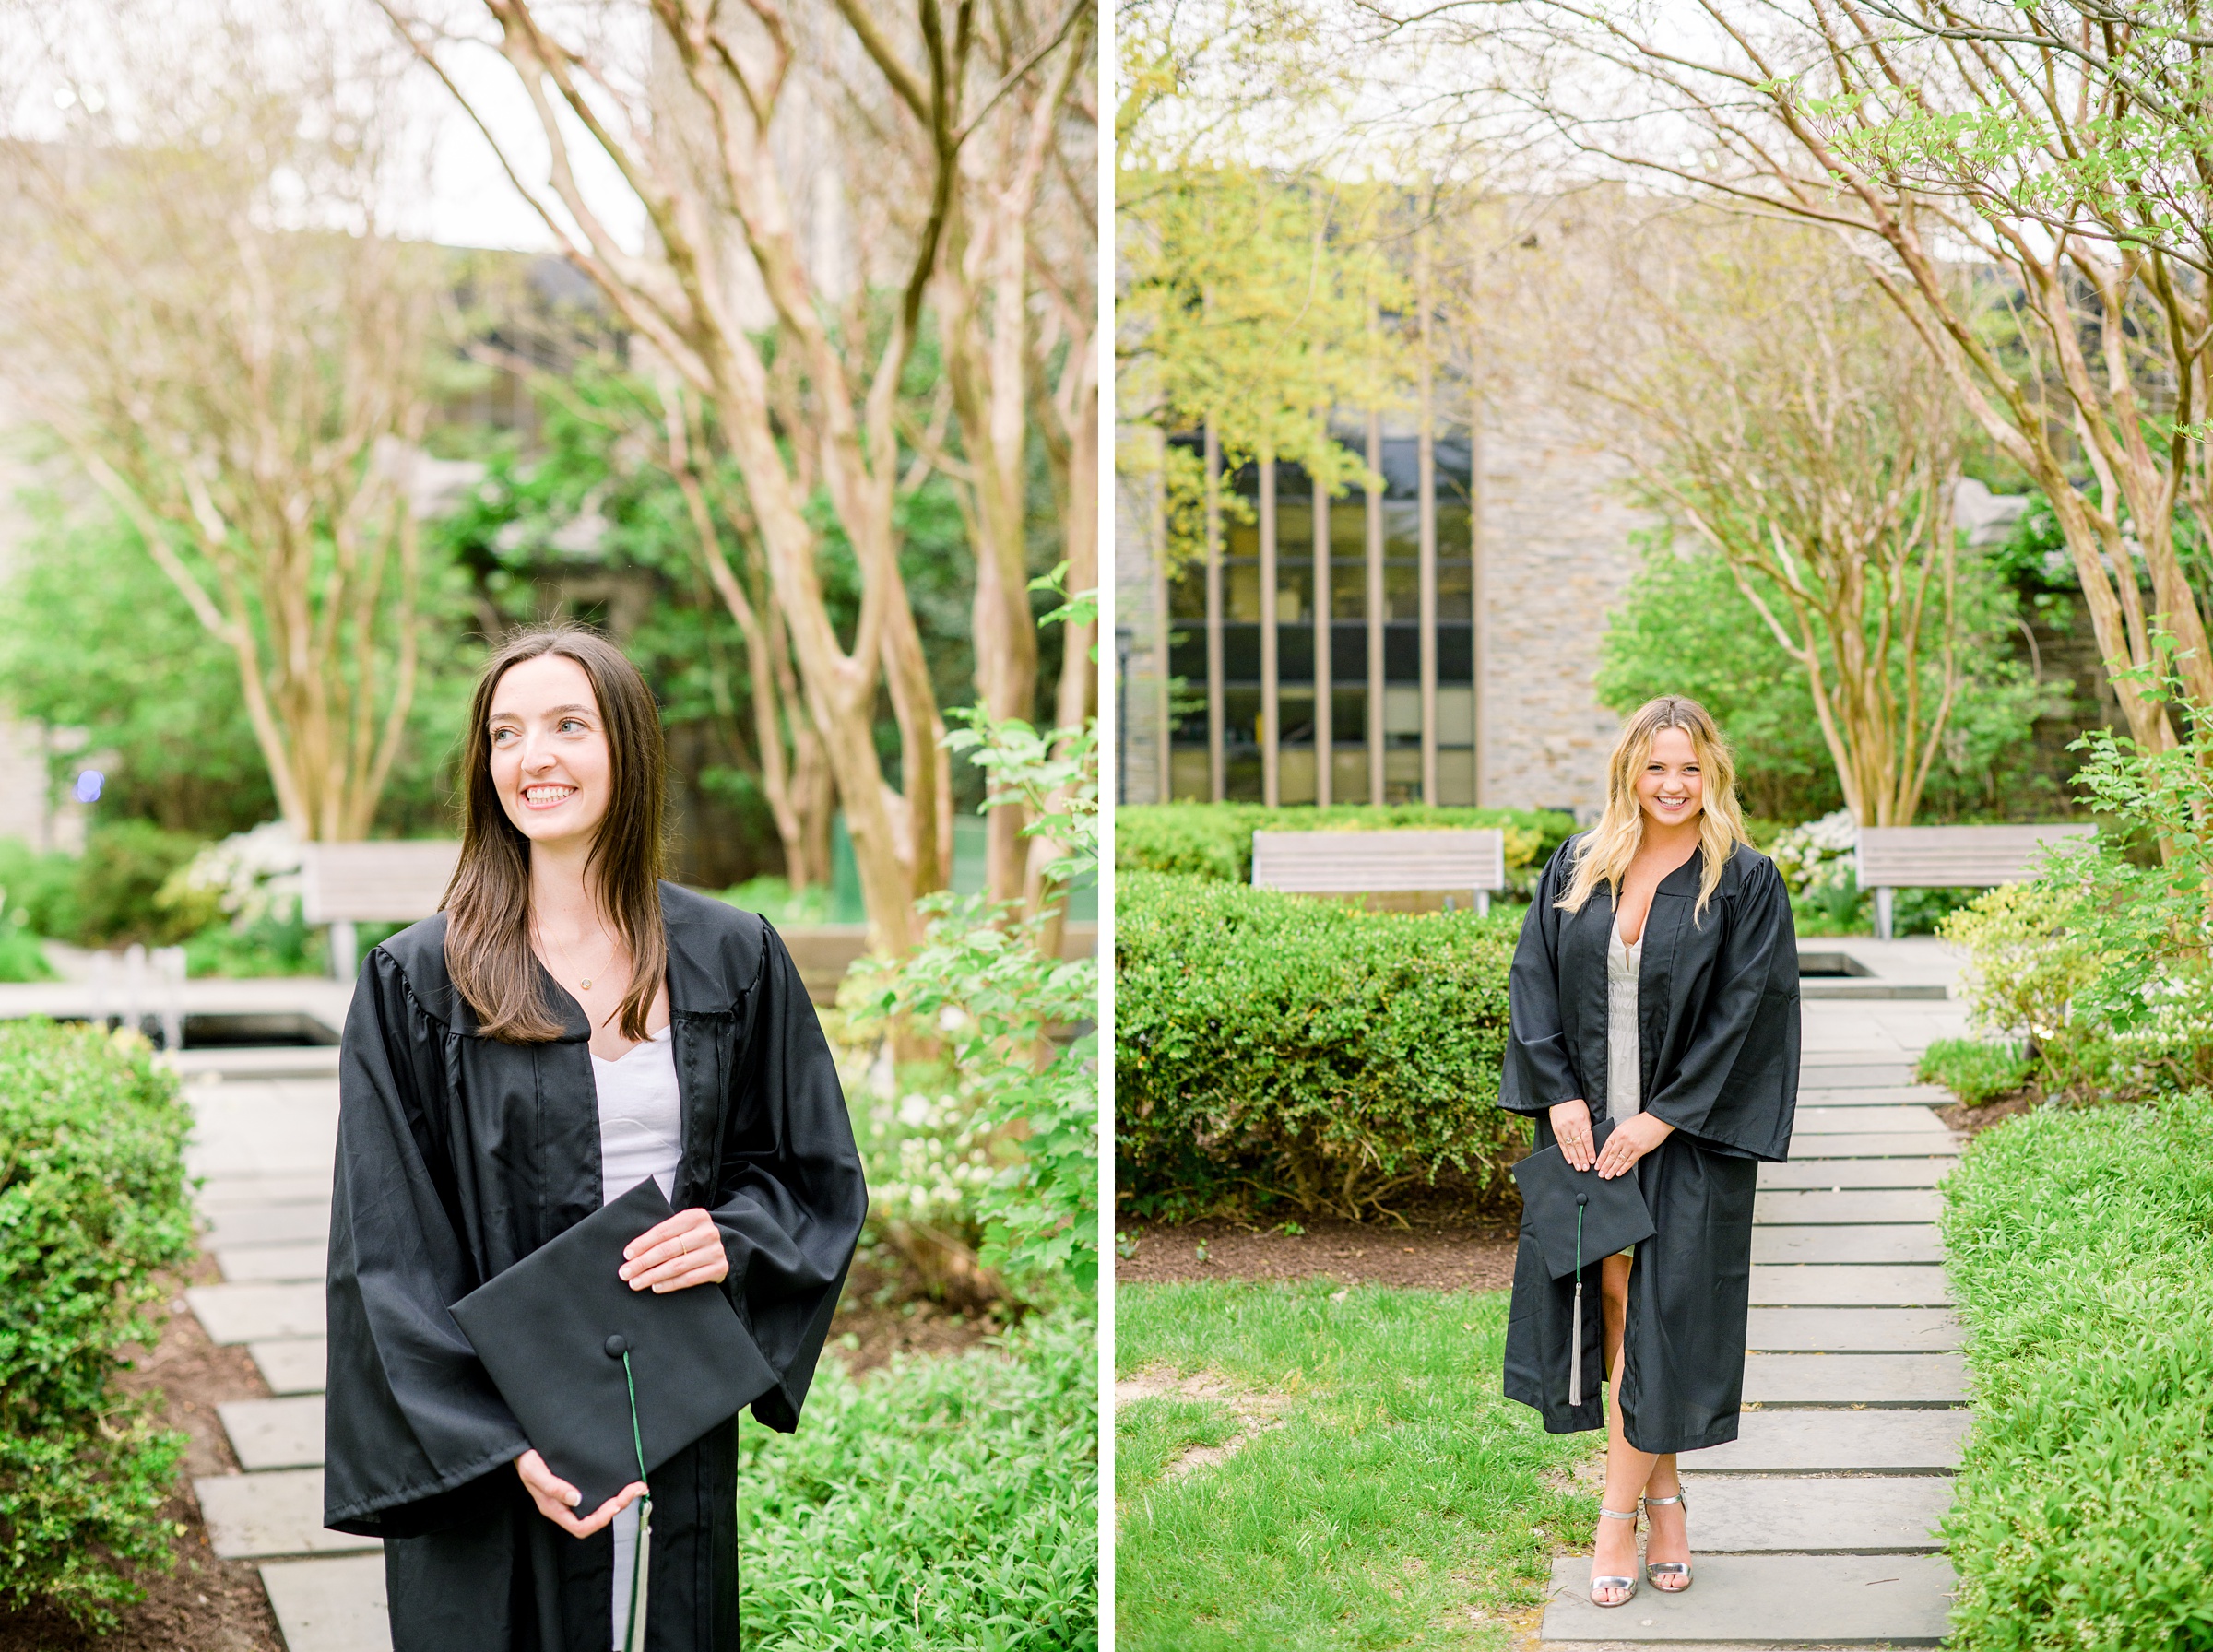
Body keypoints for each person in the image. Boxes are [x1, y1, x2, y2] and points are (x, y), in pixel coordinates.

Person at [322, 624, 867, 1650]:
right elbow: (382, 1244)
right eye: (506, 733)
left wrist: (734, 1239)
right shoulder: (419, 981)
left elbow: (808, 1172)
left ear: (628, 744)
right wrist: (495, 1441)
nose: (535, 757)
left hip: (664, 1393)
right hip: (495, 1427)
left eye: (568, 724)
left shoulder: (731, 954)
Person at [1498, 695, 1800, 1609]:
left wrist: (1661, 1118)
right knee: (1622, 1314)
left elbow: (1748, 1011)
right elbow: (1534, 981)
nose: (1674, 784)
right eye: (1657, 766)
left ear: (1716, 773)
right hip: (1591, 1132)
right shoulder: (1582, 866)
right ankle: (1666, 1498)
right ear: (1630, 769)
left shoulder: (1744, 881)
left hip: (1687, 1137)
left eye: (1691, 767)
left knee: (1662, 1318)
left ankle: (1614, 1516)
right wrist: (1557, 1094)